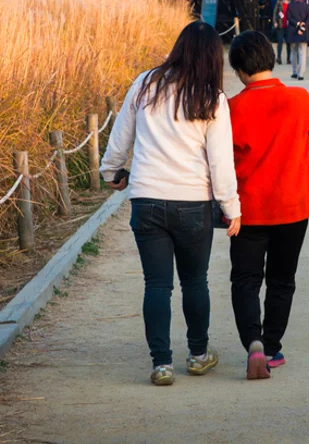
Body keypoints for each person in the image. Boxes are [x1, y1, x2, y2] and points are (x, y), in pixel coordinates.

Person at [100, 21, 242, 386]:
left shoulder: (146, 83)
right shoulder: (212, 98)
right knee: (195, 281)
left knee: (156, 285)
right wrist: (231, 207)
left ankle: (161, 364)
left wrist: (110, 171)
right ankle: (197, 355)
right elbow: (220, 161)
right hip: (192, 202)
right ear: (213, 57)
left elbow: (121, 138)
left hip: (146, 199)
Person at [226, 31, 309, 379]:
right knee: (283, 279)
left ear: (239, 68)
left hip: (249, 207)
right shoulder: (300, 99)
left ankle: (252, 341)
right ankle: (271, 347)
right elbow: (306, 134)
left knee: (245, 278)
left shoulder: (232, 108)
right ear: (270, 58)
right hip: (293, 203)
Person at [286, 0, 309, 80]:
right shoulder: (306, 6)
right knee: (302, 53)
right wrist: (303, 25)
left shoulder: (290, 5)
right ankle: (301, 74)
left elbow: (289, 18)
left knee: (293, 52)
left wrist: (297, 23)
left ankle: (294, 72)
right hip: (304, 31)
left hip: (292, 30)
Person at [272, 0, 291, 65]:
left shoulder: (292, 2)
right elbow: (275, 13)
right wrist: (274, 21)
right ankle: (279, 57)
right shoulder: (279, 2)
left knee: (288, 42)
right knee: (280, 41)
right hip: (280, 24)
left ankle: (288, 58)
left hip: (289, 25)